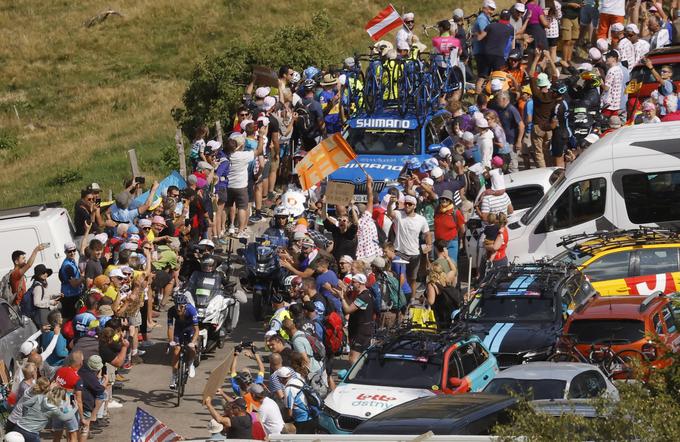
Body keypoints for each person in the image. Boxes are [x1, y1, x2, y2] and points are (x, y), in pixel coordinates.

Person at [386, 194, 431, 294]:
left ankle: (412, 299)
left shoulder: (421, 219)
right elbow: (389, 213)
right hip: (400, 252)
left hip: (414, 254)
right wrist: (390, 203)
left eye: (409, 204)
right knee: (399, 276)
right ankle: (400, 299)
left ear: (414, 206)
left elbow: (427, 233)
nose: (407, 206)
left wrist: (429, 245)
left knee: (412, 279)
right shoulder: (399, 214)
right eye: (406, 203)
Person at [340, 273, 374, 365]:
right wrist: (345, 296)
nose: (351, 284)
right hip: (359, 329)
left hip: (361, 331)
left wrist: (342, 298)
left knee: (352, 358)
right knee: (359, 356)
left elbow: (348, 310)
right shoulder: (363, 294)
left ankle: (354, 377)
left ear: (360, 283)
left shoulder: (364, 297)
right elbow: (352, 305)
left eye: (354, 282)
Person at [167, 293, 199, 389]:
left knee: (192, 348)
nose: (179, 309)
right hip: (179, 329)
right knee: (176, 351)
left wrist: (192, 342)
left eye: (181, 307)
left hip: (190, 329)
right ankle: (174, 377)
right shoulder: (171, 311)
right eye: (177, 307)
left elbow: (197, 330)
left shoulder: (192, 310)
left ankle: (190, 364)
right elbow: (170, 327)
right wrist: (171, 340)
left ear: (185, 306)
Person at [277, 367, 317, 434]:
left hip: (301, 420)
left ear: (281, 379)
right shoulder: (298, 380)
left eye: (278, 378)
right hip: (311, 415)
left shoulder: (288, 389)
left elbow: (289, 412)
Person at [59, 242, 84, 319]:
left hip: (73, 294)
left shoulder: (71, 261)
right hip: (70, 297)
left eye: (74, 250)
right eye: (69, 251)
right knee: (70, 319)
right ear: (65, 252)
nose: (72, 253)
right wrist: (83, 277)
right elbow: (74, 284)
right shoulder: (67, 266)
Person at [601, 50, 628, 118]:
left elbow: (606, 88)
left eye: (608, 57)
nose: (606, 59)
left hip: (609, 104)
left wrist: (599, 80)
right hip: (617, 103)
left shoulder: (611, 71)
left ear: (614, 58)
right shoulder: (619, 70)